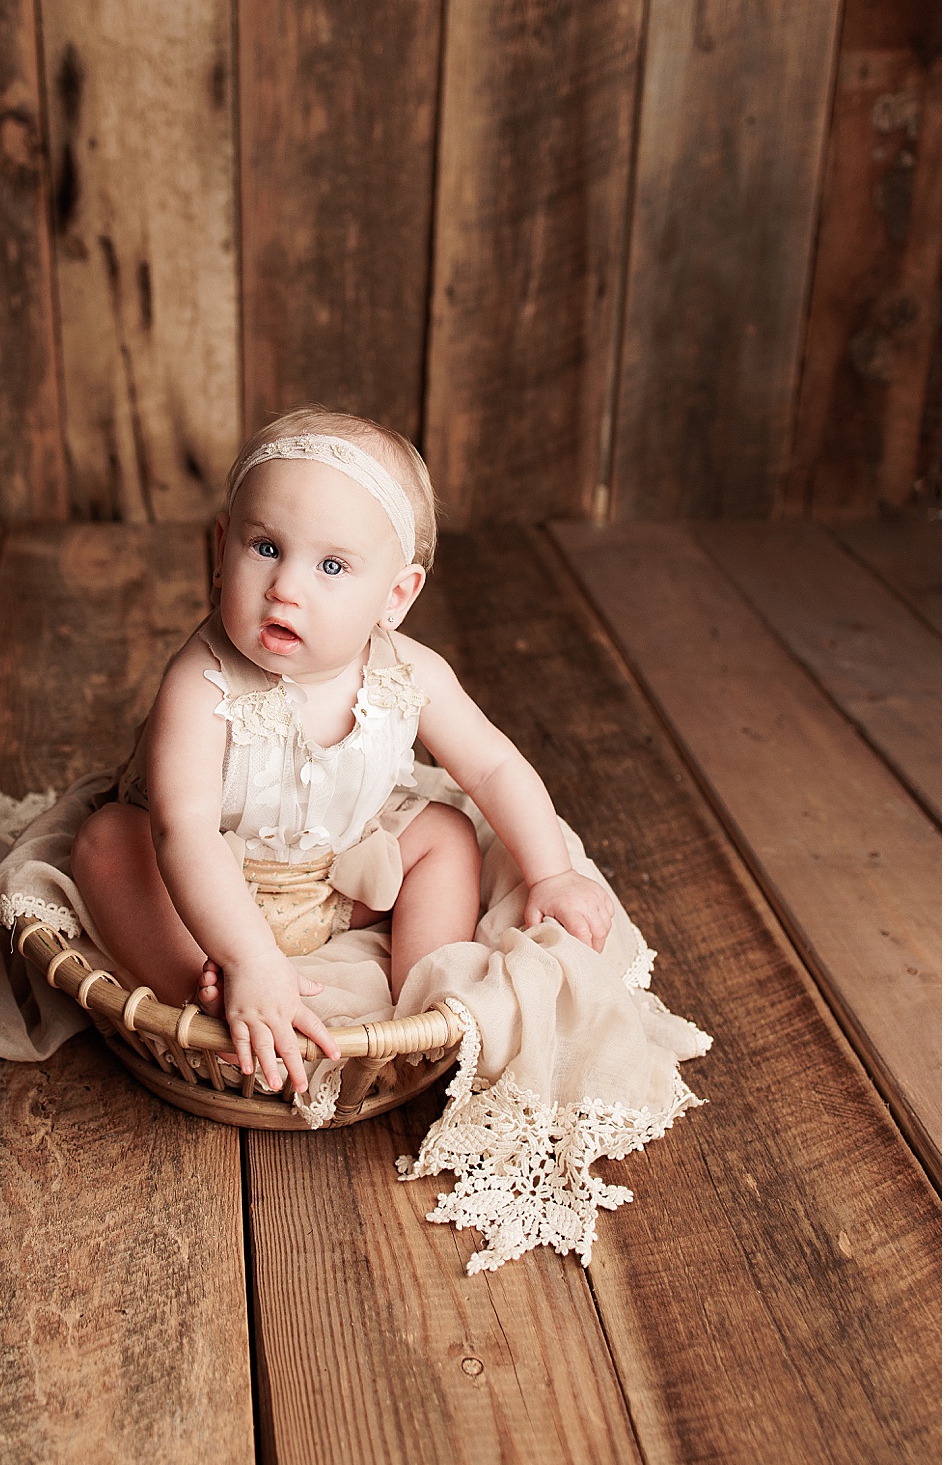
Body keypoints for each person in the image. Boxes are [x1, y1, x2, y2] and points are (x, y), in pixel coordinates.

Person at [69, 406, 614, 1100]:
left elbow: (493, 766)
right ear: (221, 547)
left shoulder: (408, 672)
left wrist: (552, 874)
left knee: (444, 835)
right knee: (106, 845)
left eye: (331, 565)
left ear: (395, 596)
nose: (285, 587)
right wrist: (245, 954)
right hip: (205, 893)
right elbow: (184, 830)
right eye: (265, 547)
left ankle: (424, 1003)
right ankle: (211, 996)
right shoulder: (199, 683)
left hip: (342, 884)